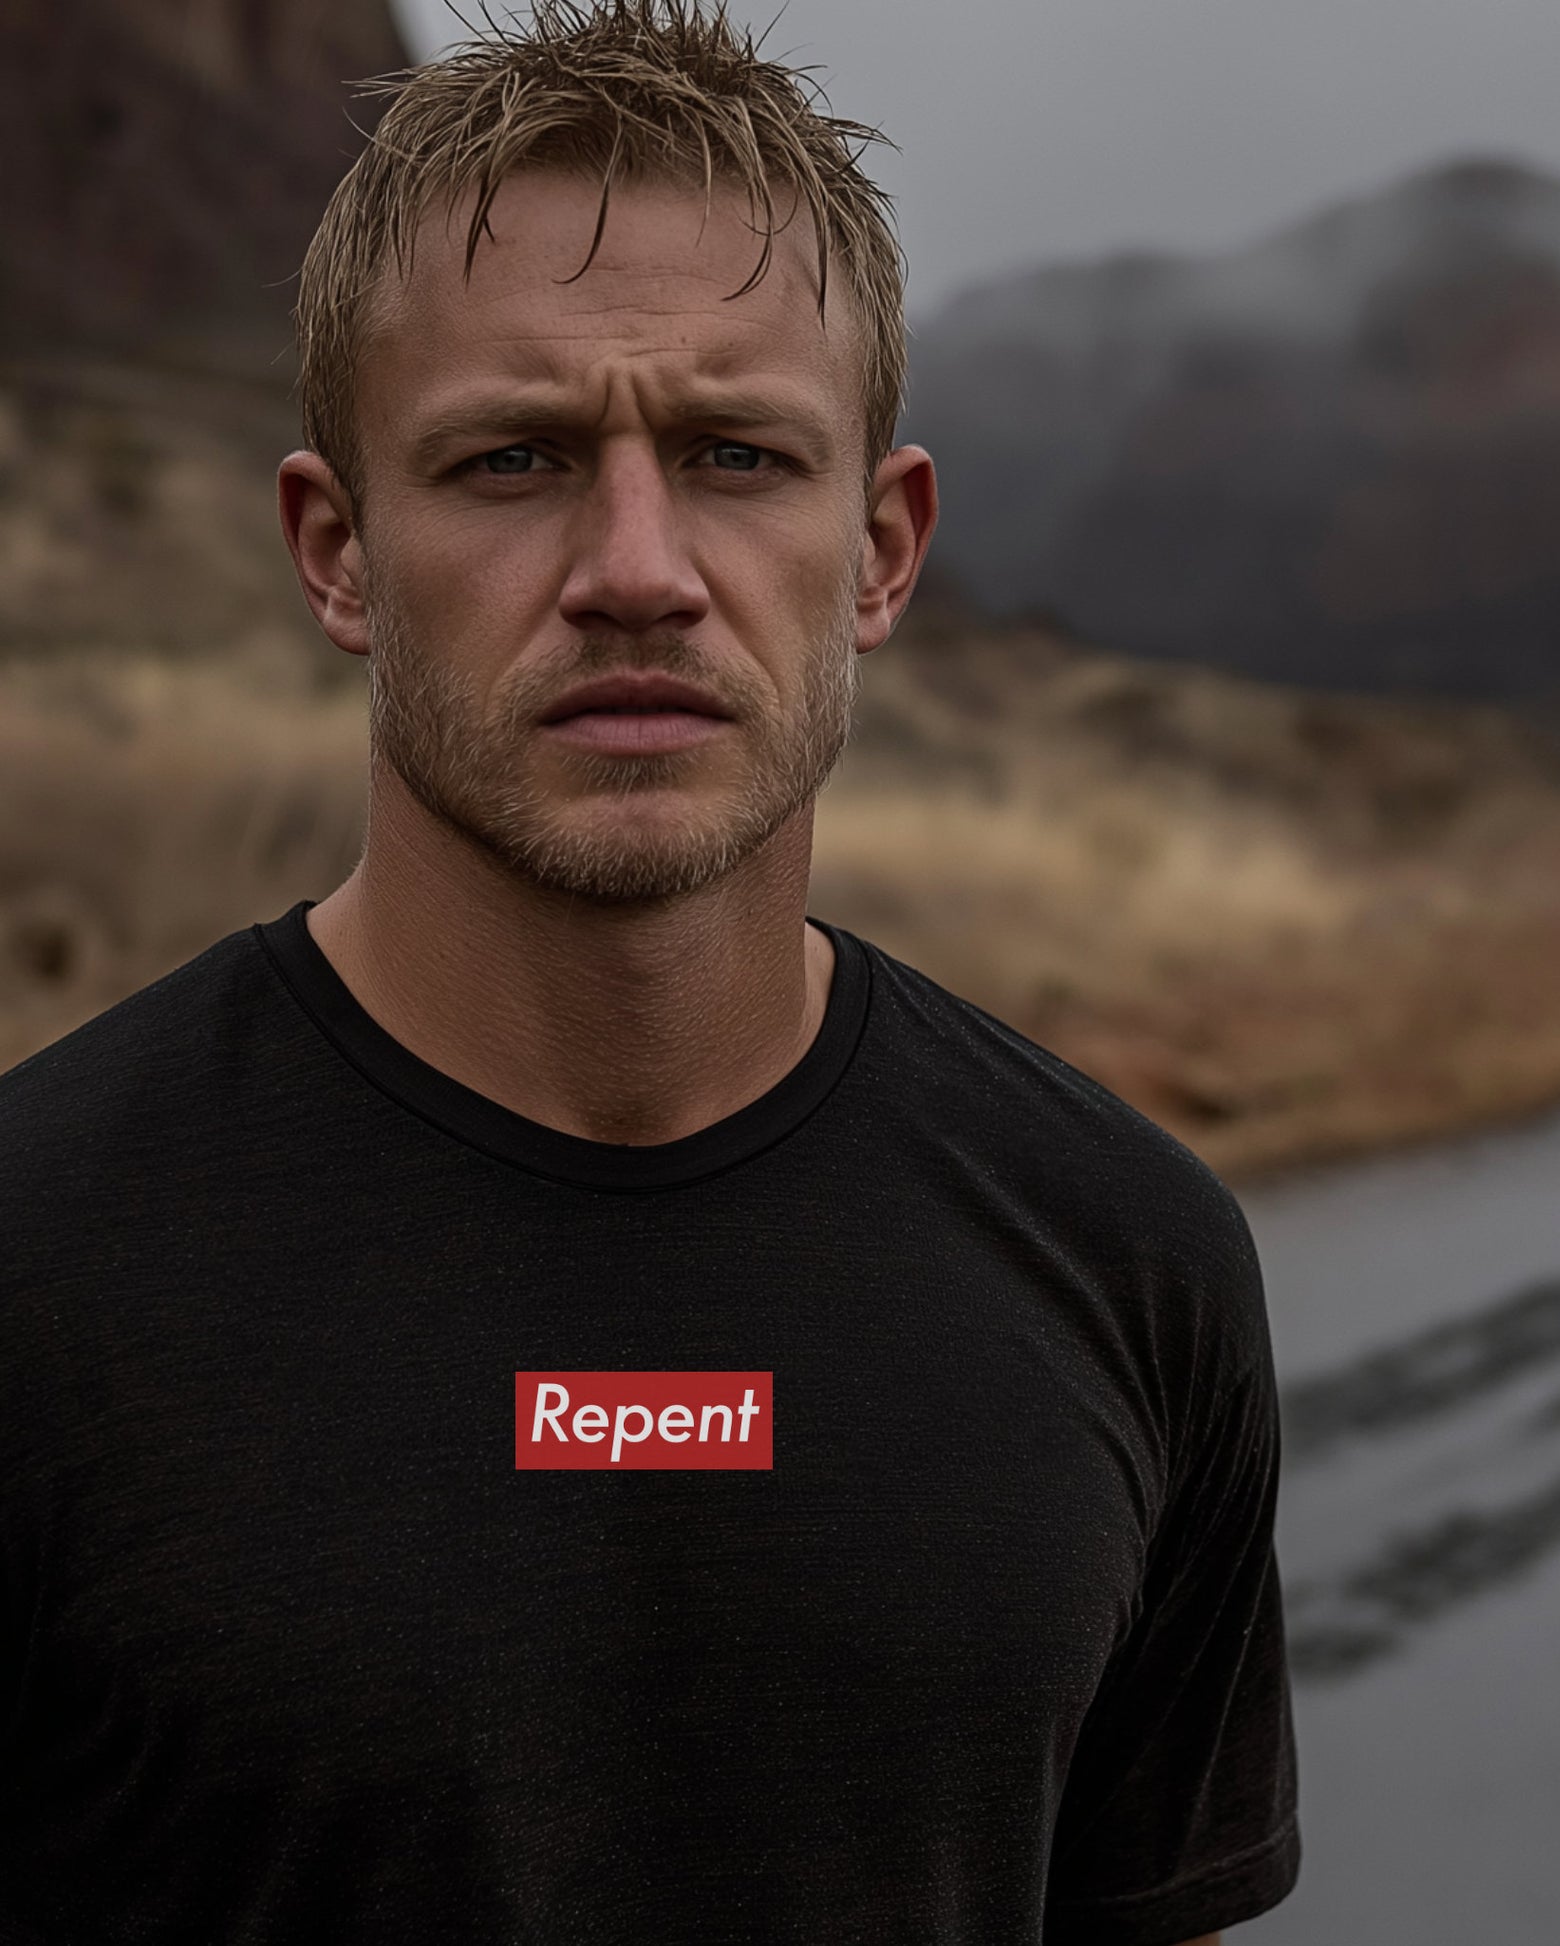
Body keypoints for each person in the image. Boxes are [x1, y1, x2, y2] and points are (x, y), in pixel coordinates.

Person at [0, 3, 1300, 1940]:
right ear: (337, 549)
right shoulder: (37, 1257)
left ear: (881, 545)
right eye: (512, 457)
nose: (636, 564)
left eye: (735, 454)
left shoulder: (1128, 1256)